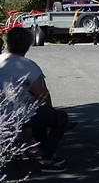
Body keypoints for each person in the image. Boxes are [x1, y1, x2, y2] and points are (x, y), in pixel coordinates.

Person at [0, 26, 74, 173]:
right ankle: (47, 160)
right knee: (58, 117)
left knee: (37, 113)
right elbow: (43, 97)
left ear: (7, 42)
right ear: (28, 45)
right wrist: (51, 113)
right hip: (15, 115)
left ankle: (34, 148)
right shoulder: (29, 66)